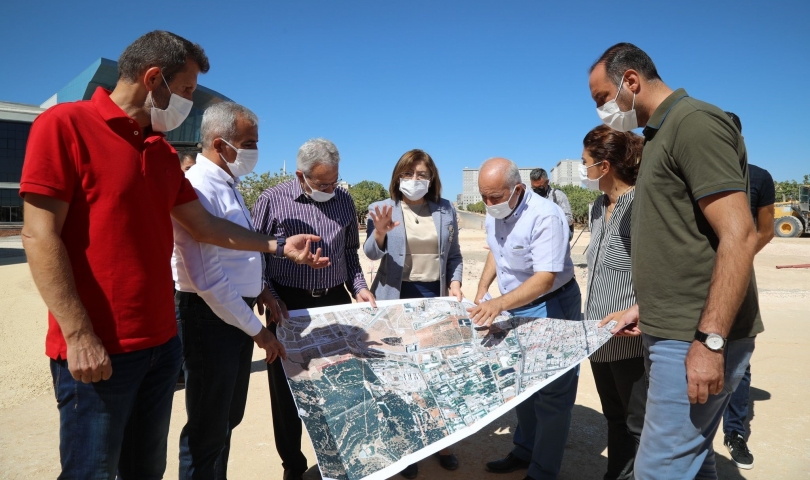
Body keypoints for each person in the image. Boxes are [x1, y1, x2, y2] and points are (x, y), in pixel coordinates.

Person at [19, 31, 327, 479]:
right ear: (152, 79)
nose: (188, 102)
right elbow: (39, 235)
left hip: (161, 348)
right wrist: (78, 334)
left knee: (146, 468)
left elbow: (205, 227)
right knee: (93, 470)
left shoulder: (160, 153)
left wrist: (277, 246)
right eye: (185, 90)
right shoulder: (65, 125)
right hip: (100, 349)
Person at [591, 43, 762, 479]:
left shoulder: (694, 123)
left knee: (659, 468)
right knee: (694, 459)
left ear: (630, 81)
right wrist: (642, 308)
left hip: (693, 337)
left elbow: (739, 235)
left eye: (600, 98)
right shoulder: (657, 137)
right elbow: (684, 245)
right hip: (669, 328)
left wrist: (711, 342)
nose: (601, 110)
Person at [172, 102, 289, 478]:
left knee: (226, 419)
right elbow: (208, 279)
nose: (255, 150)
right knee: (208, 427)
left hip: (233, 314)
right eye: (249, 142)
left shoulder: (228, 184)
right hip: (211, 317)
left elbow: (239, 257)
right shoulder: (199, 187)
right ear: (221, 144)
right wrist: (258, 333)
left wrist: (263, 293)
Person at [252, 138, 376, 480]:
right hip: (288, 305)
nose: (330, 189)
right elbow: (256, 255)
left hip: (335, 300)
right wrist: (270, 296)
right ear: (300, 175)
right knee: (289, 391)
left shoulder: (344, 199)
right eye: (322, 184)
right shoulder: (271, 200)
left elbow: (350, 252)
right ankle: (293, 466)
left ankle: (338, 463)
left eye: (334, 181)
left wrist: (360, 288)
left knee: (337, 385)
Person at [469, 158, 580, 480]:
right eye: (484, 197)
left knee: (552, 392)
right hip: (513, 305)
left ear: (517, 189)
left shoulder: (546, 215)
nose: (489, 204)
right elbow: (497, 249)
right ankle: (524, 450)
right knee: (522, 385)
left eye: (495, 197)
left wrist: (499, 304)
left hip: (551, 304)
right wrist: (482, 288)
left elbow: (546, 277)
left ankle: (543, 471)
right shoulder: (495, 212)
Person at [364, 148, 463, 478]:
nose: (415, 180)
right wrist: (379, 233)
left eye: (422, 174)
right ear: (397, 178)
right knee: (400, 377)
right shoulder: (382, 209)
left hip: (433, 300)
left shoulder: (446, 210)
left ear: (432, 177)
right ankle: (407, 447)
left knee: (436, 374)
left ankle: (442, 443)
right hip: (396, 298)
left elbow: (455, 257)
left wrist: (456, 283)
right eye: (408, 174)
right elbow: (370, 253)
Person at [581, 125, 646, 480]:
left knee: (638, 425)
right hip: (598, 337)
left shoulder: (641, 203)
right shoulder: (596, 206)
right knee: (614, 419)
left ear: (604, 167)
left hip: (629, 340)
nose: (584, 170)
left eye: (586, 162)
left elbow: (656, 271)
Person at [719, 111, 775, 470]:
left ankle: (734, 431)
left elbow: (766, 229)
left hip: (736, 281)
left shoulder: (758, 178)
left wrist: (735, 259)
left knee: (738, 359)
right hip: (691, 284)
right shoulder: (690, 173)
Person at [529, 168, 574, 235]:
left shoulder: (558, 195)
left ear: (547, 182)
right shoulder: (530, 197)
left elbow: (569, 219)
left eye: (540, 187)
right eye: (534, 188)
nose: (537, 190)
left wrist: (551, 222)